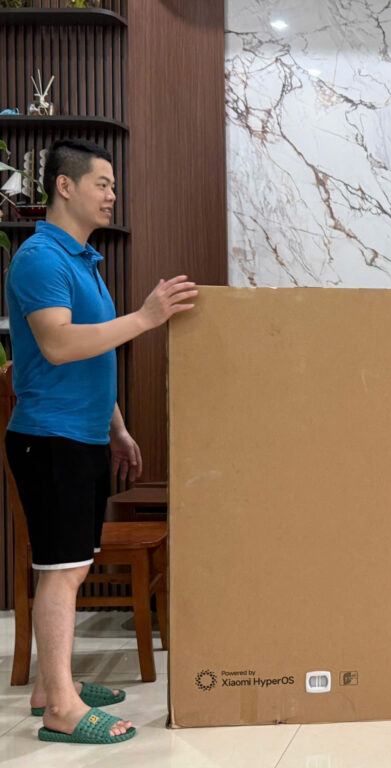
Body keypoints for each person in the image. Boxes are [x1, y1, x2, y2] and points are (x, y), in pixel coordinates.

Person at [4, 139, 197, 744]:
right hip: (50, 437)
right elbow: (60, 345)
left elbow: (92, 352)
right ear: (65, 186)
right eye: (103, 183)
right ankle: (61, 709)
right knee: (61, 569)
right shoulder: (40, 259)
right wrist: (146, 317)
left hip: (84, 435)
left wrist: (116, 428)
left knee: (74, 563)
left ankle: (49, 686)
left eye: (113, 185)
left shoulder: (83, 260)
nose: (113, 195)